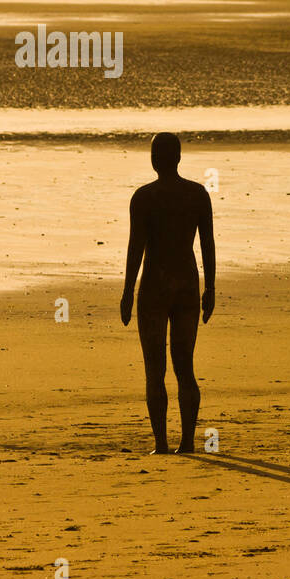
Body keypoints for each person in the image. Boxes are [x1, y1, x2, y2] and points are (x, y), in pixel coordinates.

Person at [120, 133, 215, 454]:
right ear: (178, 158)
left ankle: (161, 443)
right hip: (188, 283)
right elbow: (207, 246)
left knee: (155, 369)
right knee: (184, 367)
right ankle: (186, 441)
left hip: (154, 287)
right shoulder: (198, 194)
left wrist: (127, 292)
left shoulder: (144, 197)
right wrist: (211, 288)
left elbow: (136, 248)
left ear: (154, 159)